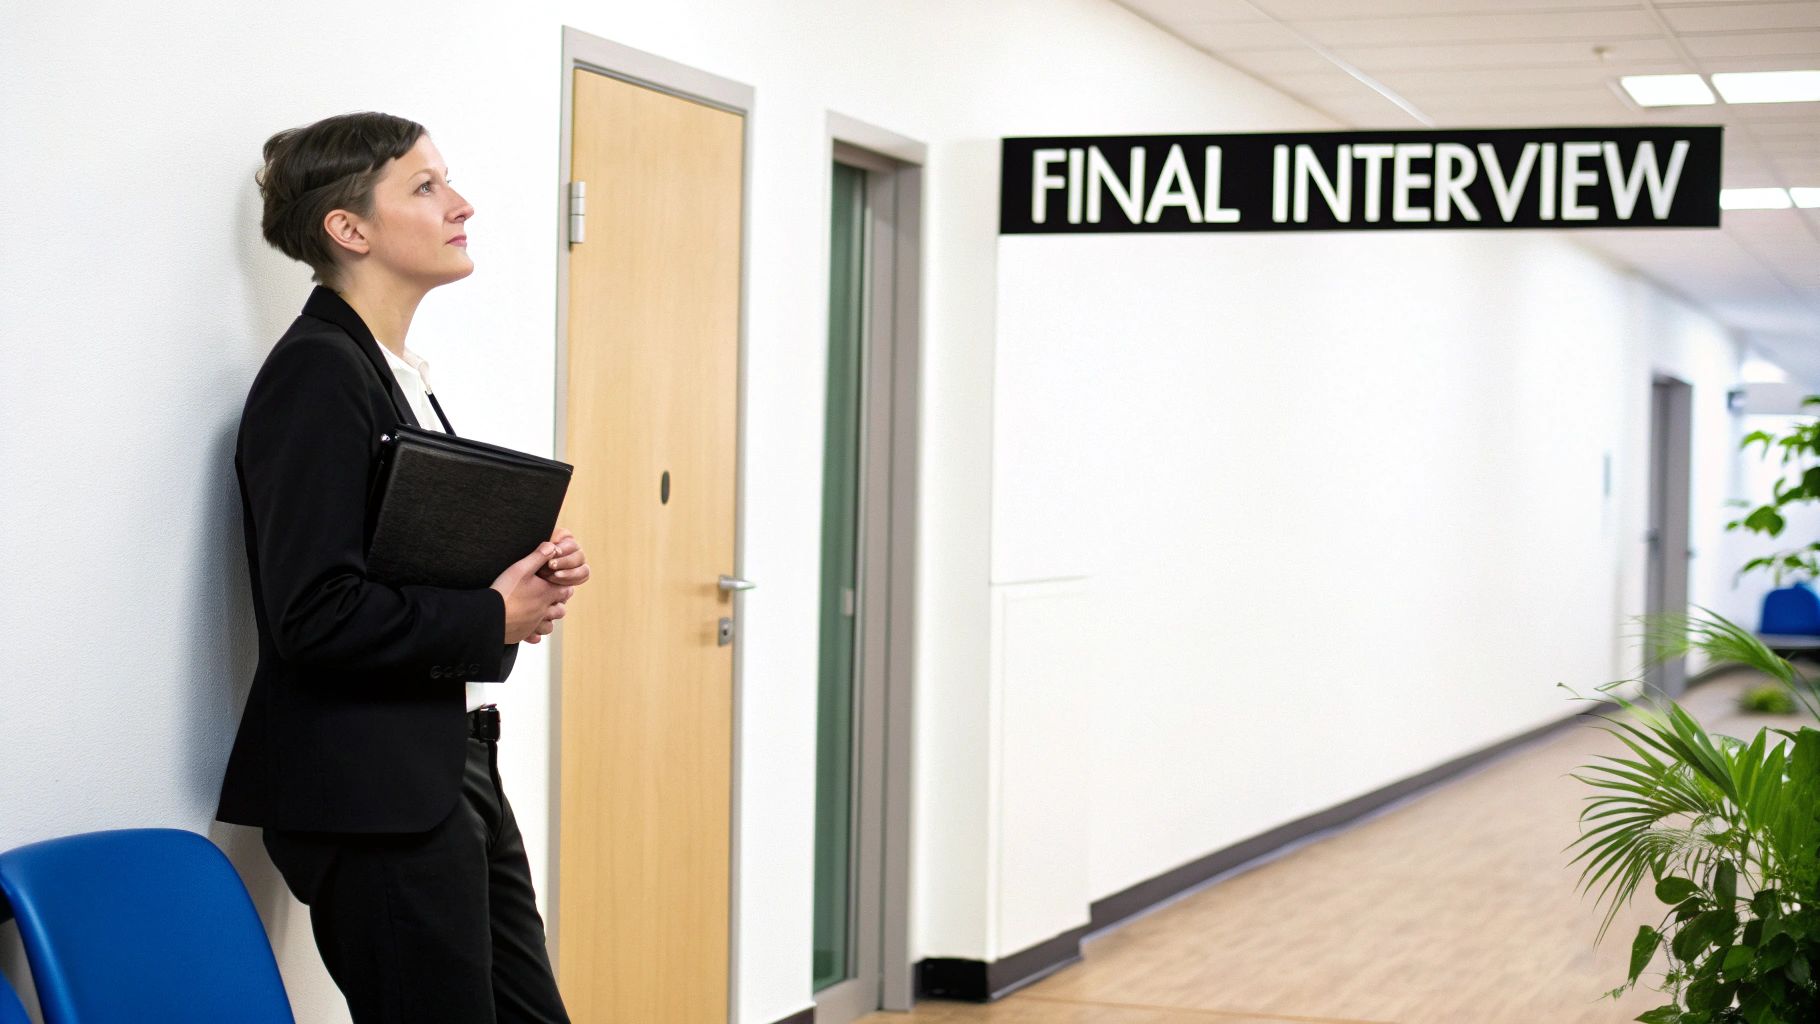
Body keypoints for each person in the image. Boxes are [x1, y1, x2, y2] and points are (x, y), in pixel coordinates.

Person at [216, 111, 584, 1024]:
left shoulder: (390, 371)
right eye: (425, 187)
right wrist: (488, 616)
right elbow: (314, 613)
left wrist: (516, 577)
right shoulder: (316, 374)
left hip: (447, 768)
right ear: (350, 230)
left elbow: (392, 560)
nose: (461, 204)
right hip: (375, 797)